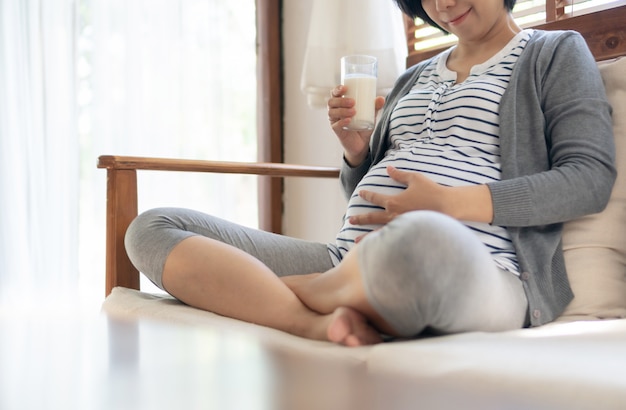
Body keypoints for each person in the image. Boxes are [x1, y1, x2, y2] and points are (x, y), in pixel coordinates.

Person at [125, 0, 616, 347]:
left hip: (482, 267)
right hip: (346, 256)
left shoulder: (552, 52)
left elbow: (589, 178)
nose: (443, 3)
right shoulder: (413, 77)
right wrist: (357, 153)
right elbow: (361, 196)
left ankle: (281, 291)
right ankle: (315, 323)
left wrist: (449, 204)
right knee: (152, 228)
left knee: (422, 240)